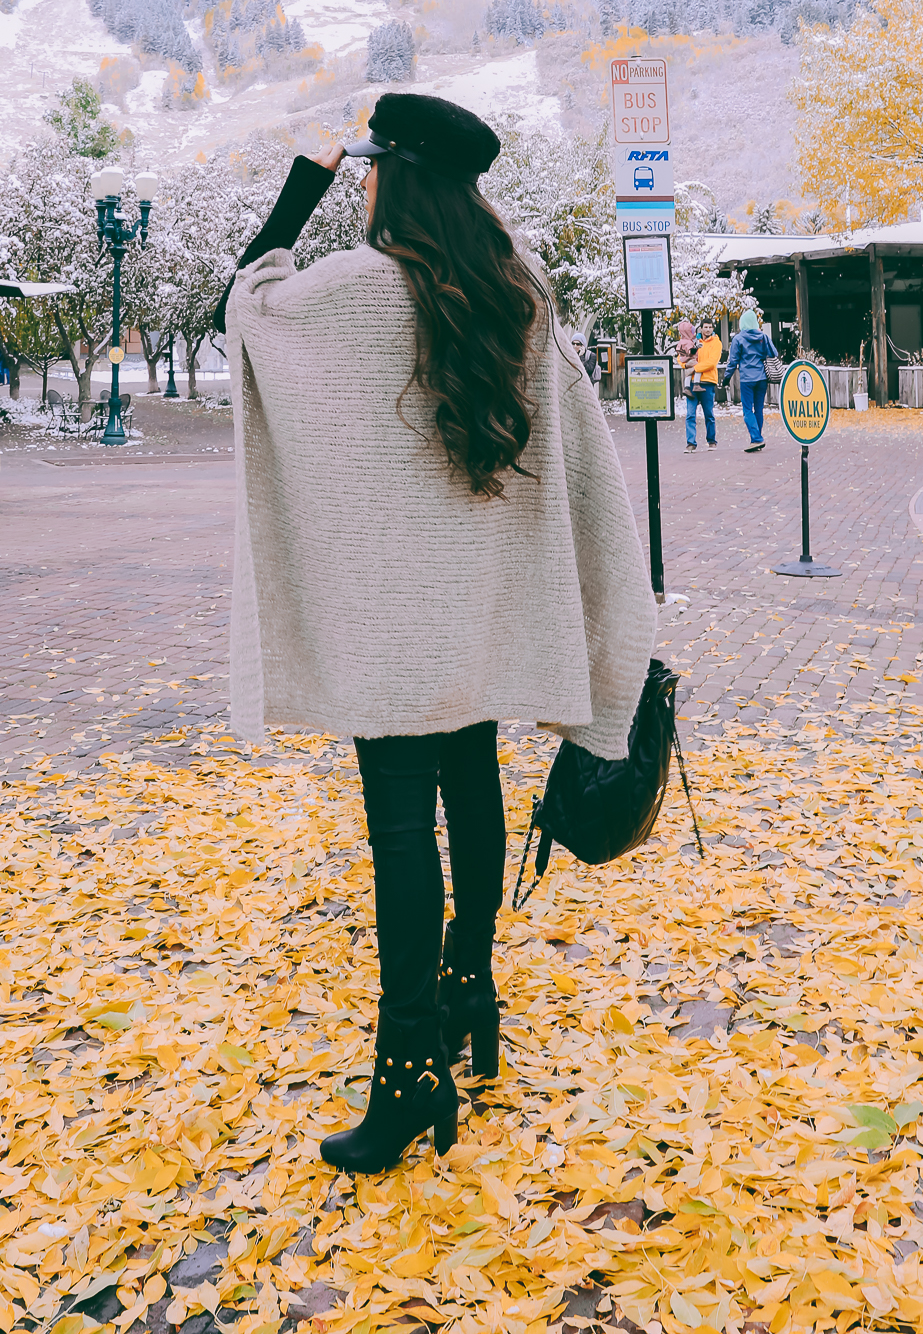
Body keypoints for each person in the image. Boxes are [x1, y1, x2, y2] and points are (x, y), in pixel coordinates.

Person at [214, 93, 657, 1174]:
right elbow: (574, 455)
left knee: (403, 832)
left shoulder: (344, 296)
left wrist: (300, 184)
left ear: (388, 178)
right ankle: (471, 998)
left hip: (389, 626)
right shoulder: (517, 295)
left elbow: (242, 300)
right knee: (473, 789)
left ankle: (408, 1075)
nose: (361, 182)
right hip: (483, 614)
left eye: (367, 170)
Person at [725, 307, 778, 452]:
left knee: (747, 409)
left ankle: (757, 439)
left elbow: (732, 361)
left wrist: (726, 378)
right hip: (762, 378)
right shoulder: (763, 336)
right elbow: (774, 353)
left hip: (747, 379)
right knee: (759, 409)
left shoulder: (738, 339)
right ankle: (757, 439)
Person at [681, 317, 721, 451]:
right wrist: (685, 365)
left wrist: (695, 368)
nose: (708, 329)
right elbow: (681, 354)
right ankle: (691, 443)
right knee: (690, 414)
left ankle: (711, 441)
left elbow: (712, 362)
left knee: (708, 413)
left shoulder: (716, 343)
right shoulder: (693, 340)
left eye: (710, 327)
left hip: (707, 382)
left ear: (713, 328)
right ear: (701, 328)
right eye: (706, 327)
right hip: (692, 382)